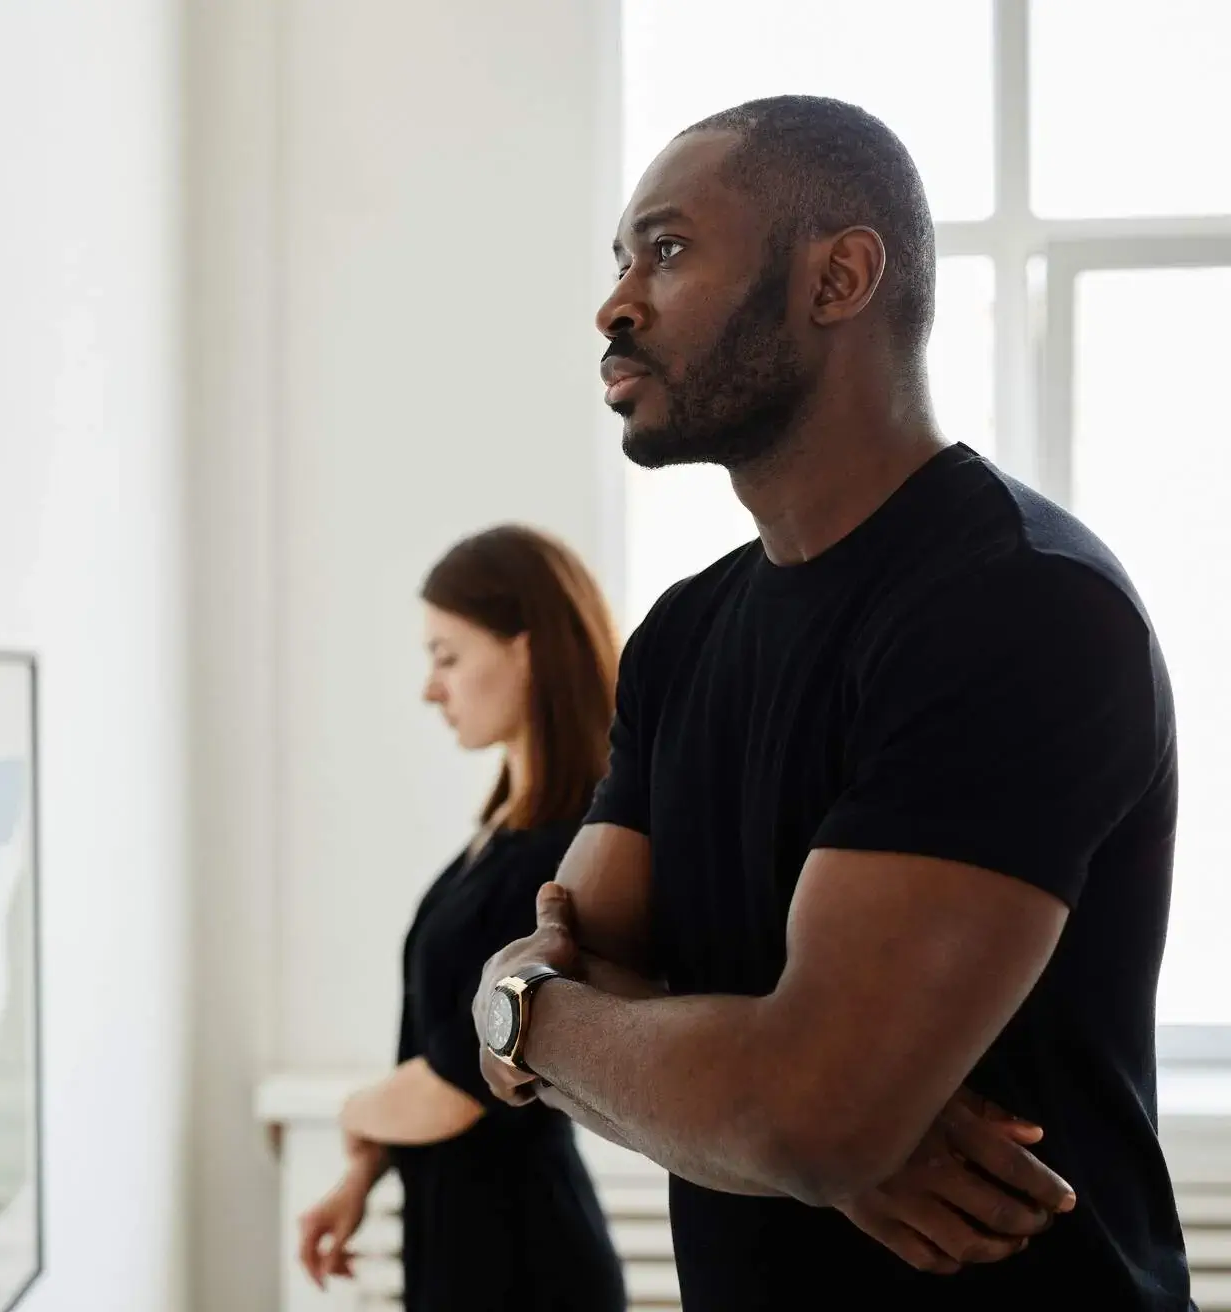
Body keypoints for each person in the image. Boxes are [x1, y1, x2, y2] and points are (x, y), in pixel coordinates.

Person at [468, 94, 1191, 1310]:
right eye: (620, 258)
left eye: (668, 249)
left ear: (839, 278)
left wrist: (528, 1011)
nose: (616, 304)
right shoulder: (682, 636)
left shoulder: (1020, 604)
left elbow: (800, 1111)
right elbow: (616, 999)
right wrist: (771, 1111)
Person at [297, 525, 627, 1311]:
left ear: (527, 649)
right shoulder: (504, 831)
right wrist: (363, 1170)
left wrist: (355, 1113)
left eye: (447, 657)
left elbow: (460, 1082)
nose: (430, 688)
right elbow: (436, 1039)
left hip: (521, 1263)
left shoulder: (565, 852)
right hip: (464, 1244)